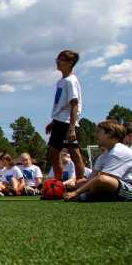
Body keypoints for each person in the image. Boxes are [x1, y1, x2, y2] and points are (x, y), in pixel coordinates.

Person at [65, 121, 132, 202]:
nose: (95, 135)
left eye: (98, 132)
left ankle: (84, 196)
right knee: (81, 182)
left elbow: (101, 180)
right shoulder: (103, 156)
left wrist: (76, 192)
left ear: (110, 134)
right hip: (124, 185)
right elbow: (91, 179)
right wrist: (73, 185)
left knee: (102, 180)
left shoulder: (118, 151)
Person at [45, 50, 86, 183]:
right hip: (59, 121)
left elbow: (74, 104)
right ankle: (58, 184)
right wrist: (53, 122)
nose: (58, 61)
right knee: (54, 153)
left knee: (74, 153)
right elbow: (62, 105)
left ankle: (80, 182)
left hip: (67, 122)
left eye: (61, 59)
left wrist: (72, 127)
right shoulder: (61, 81)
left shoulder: (71, 81)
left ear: (70, 63)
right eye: (57, 59)